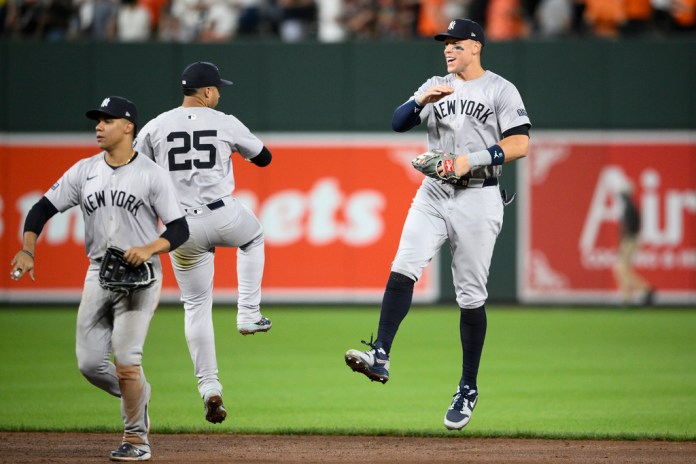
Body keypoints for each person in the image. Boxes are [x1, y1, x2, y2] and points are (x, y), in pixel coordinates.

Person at [344, 18, 531, 431]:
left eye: (457, 44)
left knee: (470, 297)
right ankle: (381, 355)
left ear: (477, 46)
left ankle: (468, 385)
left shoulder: (500, 89)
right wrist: (419, 101)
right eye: (445, 44)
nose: (448, 50)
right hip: (433, 192)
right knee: (403, 266)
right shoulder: (435, 83)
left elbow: (520, 143)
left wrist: (471, 159)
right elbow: (397, 122)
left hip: (479, 195)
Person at [9, 96, 189, 461]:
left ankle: (137, 440)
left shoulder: (152, 174)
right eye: (97, 120)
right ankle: (137, 391)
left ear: (128, 127)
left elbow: (180, 228)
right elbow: (41, 209)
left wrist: (151, 248)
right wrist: (28, 249)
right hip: (99, 272)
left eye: (107, 120)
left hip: (141, 276)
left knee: (126, 360)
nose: (99, 126)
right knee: (90, 364)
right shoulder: (84, 171)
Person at [134, 61, 273, 424]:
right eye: (218, 88)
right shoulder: (224, 120)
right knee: (254, 236)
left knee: (196, 304)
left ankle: (210, 388)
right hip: (221, 213)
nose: (220, 93)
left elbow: (135, 172)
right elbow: (264, 158)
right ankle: (248, 313)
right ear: (207, 92)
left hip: (180, 226)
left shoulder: (156, 125)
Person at [613, 180, 654, 306]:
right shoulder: (630, 206)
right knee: (622, 269)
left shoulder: (629, 207)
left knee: (621, 268)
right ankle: (626, 297)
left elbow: (628, 228)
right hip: (631, 240)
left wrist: (623, 244)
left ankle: (645, 289)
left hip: (630, 240)